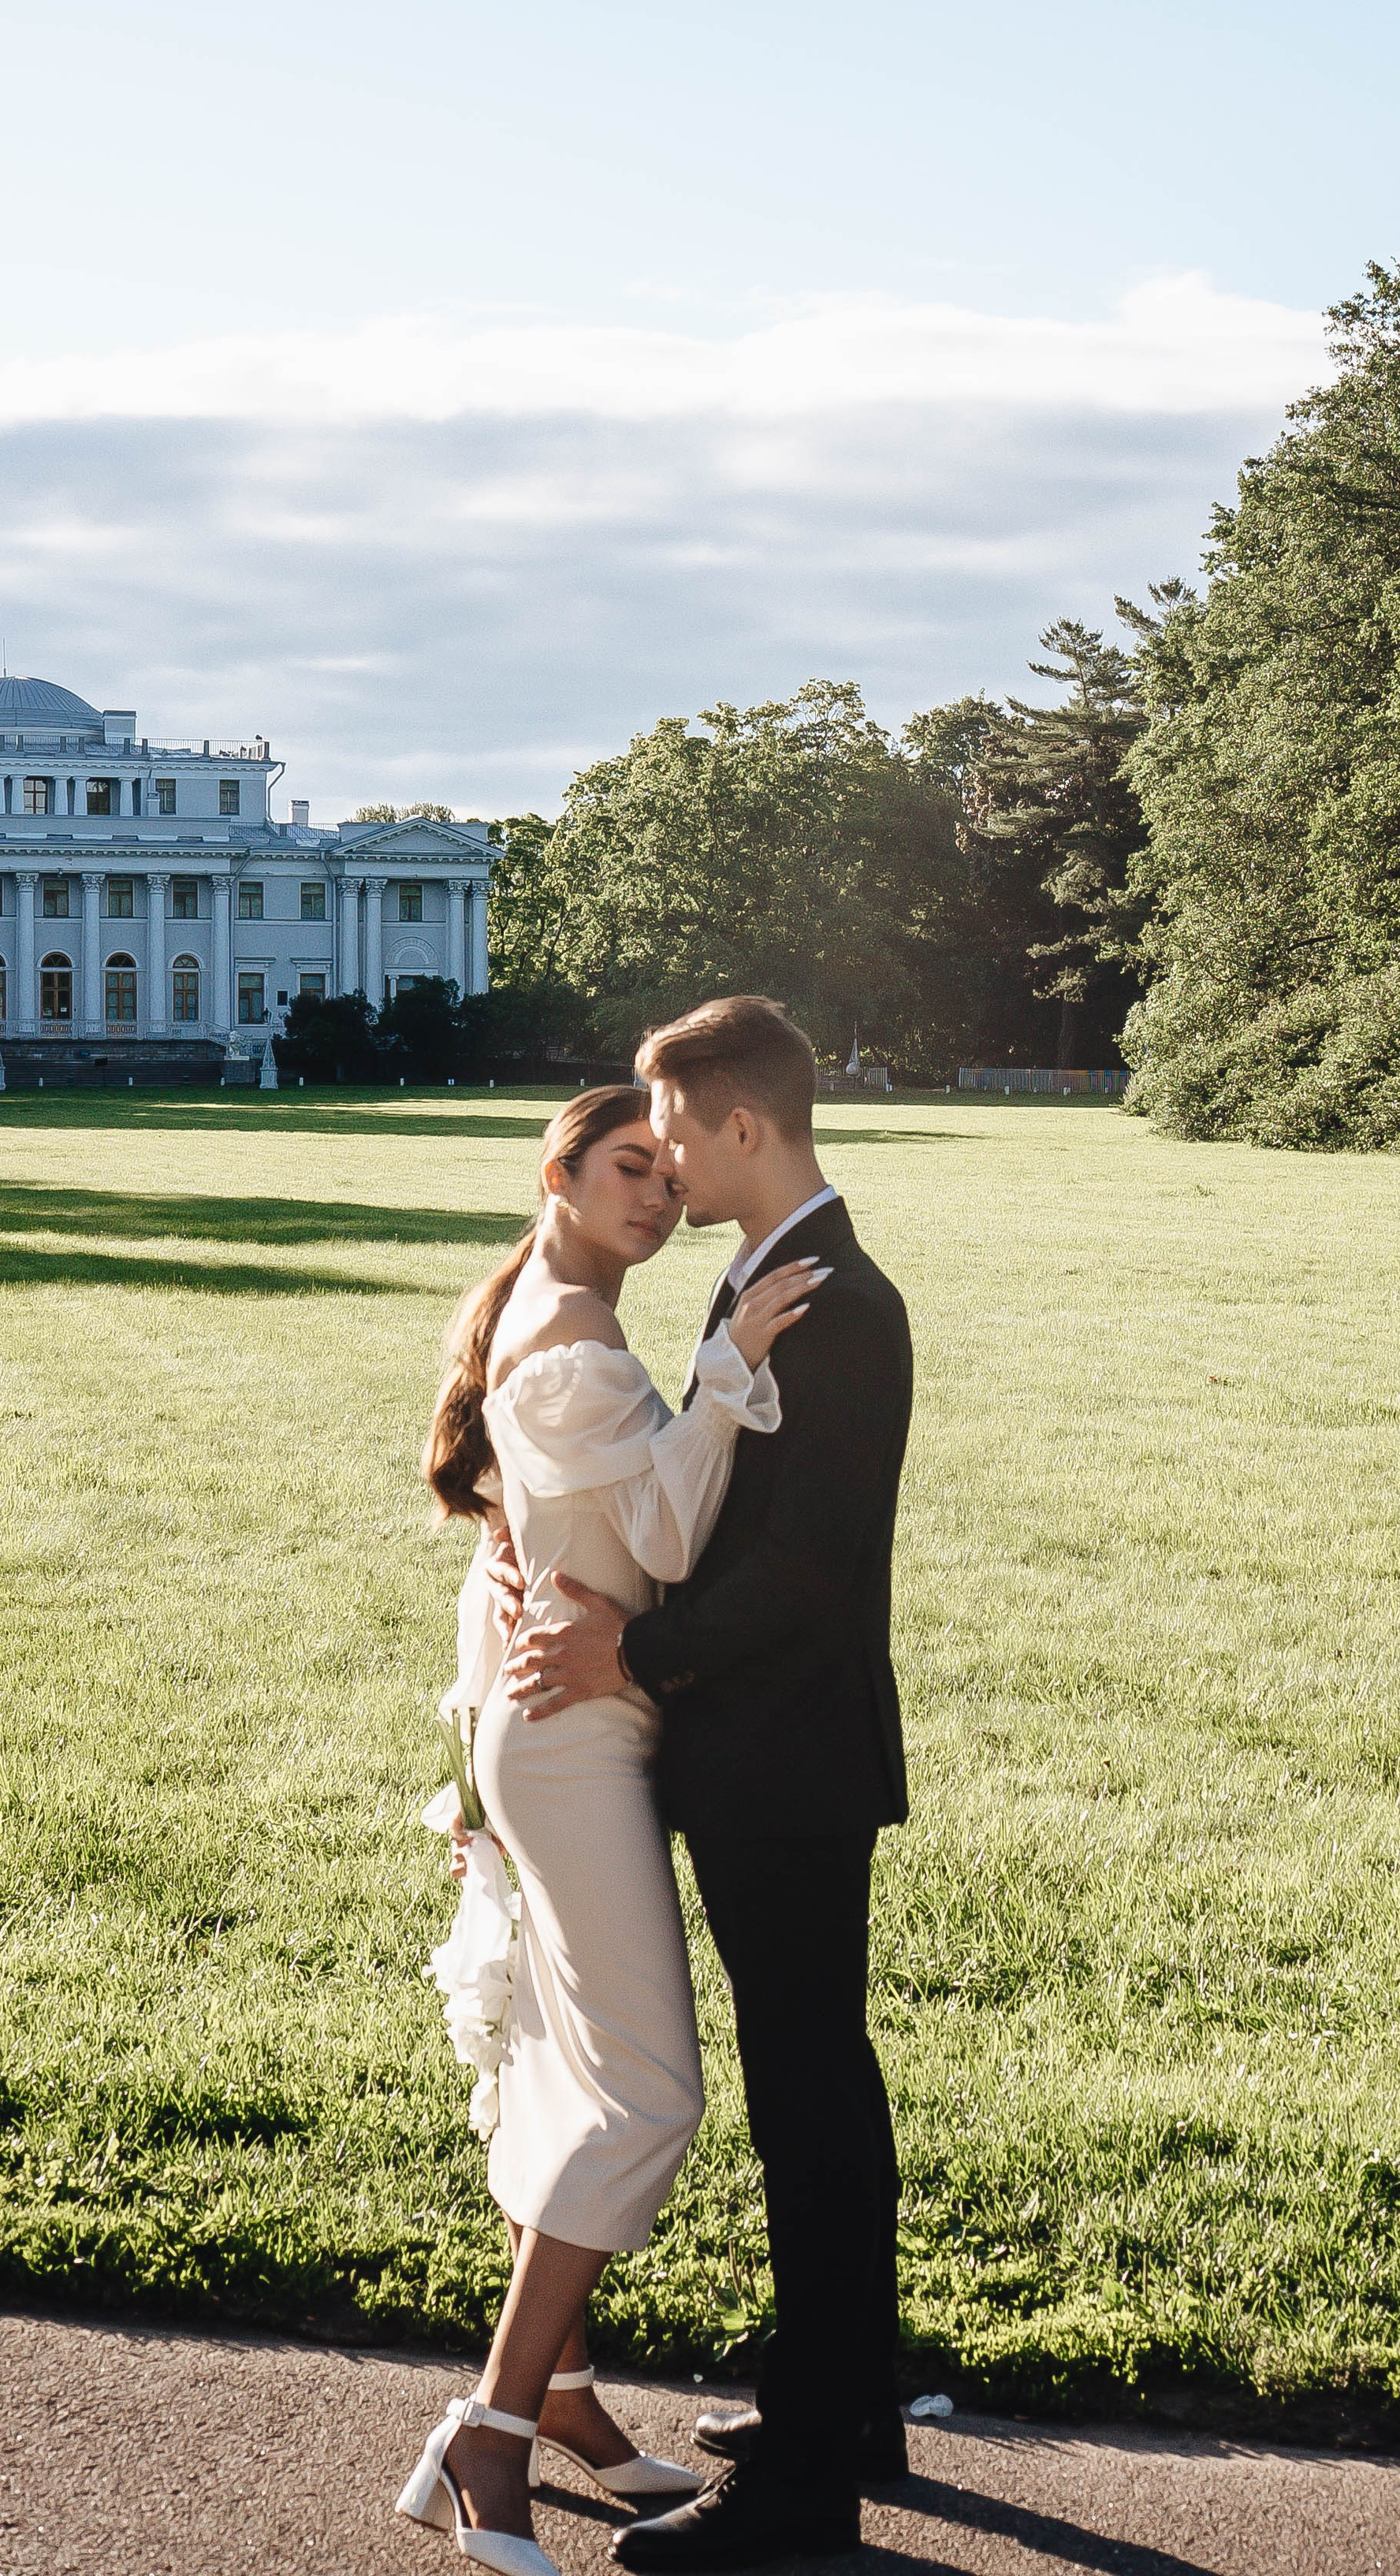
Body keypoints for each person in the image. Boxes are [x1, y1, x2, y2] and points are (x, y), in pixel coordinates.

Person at [501, 998, 913, 2572]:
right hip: (758, 1753)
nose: (662, 1164)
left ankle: (807, 2484)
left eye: (672, 1132)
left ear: (740, 1123)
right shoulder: (767, 1274)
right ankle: (838, 2395)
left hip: (787, 1755)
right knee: (806, 2082)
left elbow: (809, 1573)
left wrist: (632, 1657)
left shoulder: (836, 1298)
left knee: (809, 2094)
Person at [397, 1082, 826, 2576]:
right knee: (647, 2092)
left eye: (666, 1166)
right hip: (575, 1745)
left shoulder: (546, 1307)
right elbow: (663, 1539)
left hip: (569, 1727)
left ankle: (565, 2395)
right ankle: (492, 2435)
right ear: (560, 1176)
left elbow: (545, 1525)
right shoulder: (572, 1338)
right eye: (625, 1167)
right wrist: (725, 1373)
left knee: (568, 2068)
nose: (656, 1191)